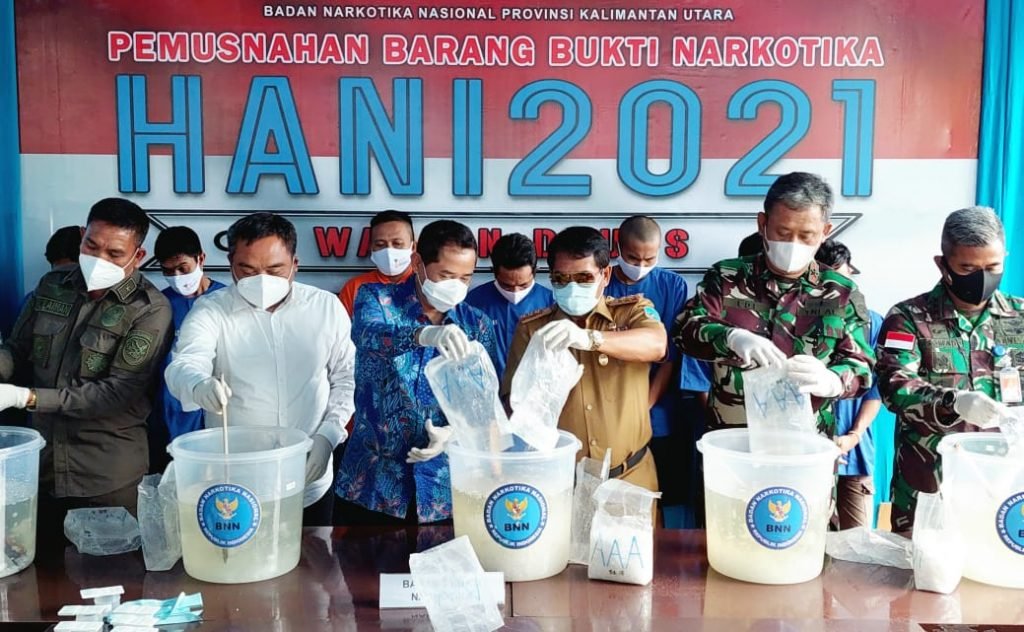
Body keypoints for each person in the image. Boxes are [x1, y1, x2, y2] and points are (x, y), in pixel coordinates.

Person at [164, 213, 355, 526]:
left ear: (295, 264)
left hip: (310, 475)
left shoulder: (325, 308)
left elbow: (346, 378)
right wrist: (198, 384)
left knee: (315, 553)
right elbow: (185, 363)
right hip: (238, 483)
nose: (262, 280)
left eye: (275, 270)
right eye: (248, 270)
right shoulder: (212, 310)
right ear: (231, 264)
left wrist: (329, 435)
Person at [0, 198, 173, 536]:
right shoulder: (52, 285)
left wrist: (25, 398)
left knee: (110, 567)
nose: (99, 259)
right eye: (92, 246)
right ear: (82, 235)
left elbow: (116, 393)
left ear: (138, 255)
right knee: (34, 564)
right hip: (41, 469)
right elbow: (17, 350)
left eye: (115, 253)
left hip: (105, 478)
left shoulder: (150, 309)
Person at [673, 172, 875, 435]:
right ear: (763, 223)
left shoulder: (840, 291)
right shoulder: (726, 277)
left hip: (808, 443)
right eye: (783, 232)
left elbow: (861, 366)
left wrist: (834, 380)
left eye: (806, 235)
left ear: (826, 231)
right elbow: (685, 329)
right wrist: (731, 337)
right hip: (734, 440)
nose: (793, 244)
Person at [335, 220, 499, 525]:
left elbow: (483, 403)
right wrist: (423, 335)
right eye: (446, 275)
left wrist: (453, 435)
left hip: (444, 488)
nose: (456, 286)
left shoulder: (477, 325)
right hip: (373, 484)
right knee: (360, 557)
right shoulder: (376, 299)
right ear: (418, 263)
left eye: (465, 278)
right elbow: (368, 334)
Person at [875, 206, 1024, 536]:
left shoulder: (1020, 317)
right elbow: (894, 385)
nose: (982, 278)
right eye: (968, 268)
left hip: (1004, 488)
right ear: (942, 264)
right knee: (924, 569)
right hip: (930, 489)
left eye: (992, 267)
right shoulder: (909, 317)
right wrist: (952, 402)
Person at [502, 226, 667, 491]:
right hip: (561, 482)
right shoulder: (534, 330)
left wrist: (591, 338)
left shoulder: (631, 313)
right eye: (561, 278)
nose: (571, 287)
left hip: (629, 477)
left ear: (605, 275)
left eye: (584, 278)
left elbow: (656, 344)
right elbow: (513, 407)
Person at [605, 216, 691, 524]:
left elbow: (668, 355)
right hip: (609, 400)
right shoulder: (601, 281)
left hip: (657, 403)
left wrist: (644, 407)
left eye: (649, 259)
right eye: (632, 258)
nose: (641, 265)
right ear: (618, 248)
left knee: (666, 488)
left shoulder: (672, 285)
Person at [816, 239, 884, 529]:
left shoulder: (872, 323)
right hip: (809, 455)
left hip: (854, 454)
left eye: (844, 277)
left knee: (860, 542)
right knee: (809, 537)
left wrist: (854, 436)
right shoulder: (797, 320)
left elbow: (876, 389)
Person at [148, 226, 226, 470]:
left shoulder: (225, 300)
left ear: (201, 258)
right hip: (170, 413)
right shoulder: (159, 306)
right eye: (168, 271)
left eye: (183, 268)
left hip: (220, 409)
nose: (177, 276)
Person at [465, 233, 553, 379]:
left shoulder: (551, 303)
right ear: (494, 273)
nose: (515, 291)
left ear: (534, 272)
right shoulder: (473, 302)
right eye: (506, 285)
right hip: (486, 388)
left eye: (523, 285)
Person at [338, 210, 416, 316]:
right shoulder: (355, 287)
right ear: (371, 248)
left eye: (397, 243)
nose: (389, 251)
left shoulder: (425, 285)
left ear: (413, 247)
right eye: (380, 244)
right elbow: (340, 325)